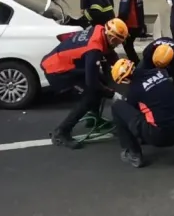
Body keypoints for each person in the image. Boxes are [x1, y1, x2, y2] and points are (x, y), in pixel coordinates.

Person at [41, 18, 129, 149]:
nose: (117, 44)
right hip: (57, 72)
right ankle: (61, 132)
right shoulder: (94, 49)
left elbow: (112, 56)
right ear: (110, 36)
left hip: (68, 65)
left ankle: (93, 119)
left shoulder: (99, 30)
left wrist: (128, 71)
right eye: (117, 41)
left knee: (101, 81)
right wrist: (112, 94)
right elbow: (92, 82)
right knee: (90, 96)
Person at [109, 58, 174, 168]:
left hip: (159, 136)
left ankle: (134, 154)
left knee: (118, 107)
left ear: (124, 79)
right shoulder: (159, 73)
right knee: (166, 109)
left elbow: (131, 112)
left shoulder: (133, 90)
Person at [114, 0, 146, 64]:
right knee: (129, 46)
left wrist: (116, 23)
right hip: (138, 25)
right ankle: (137, 65)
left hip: (130, 26)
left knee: (128, 47)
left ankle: (137, 65)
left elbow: (123, 13)